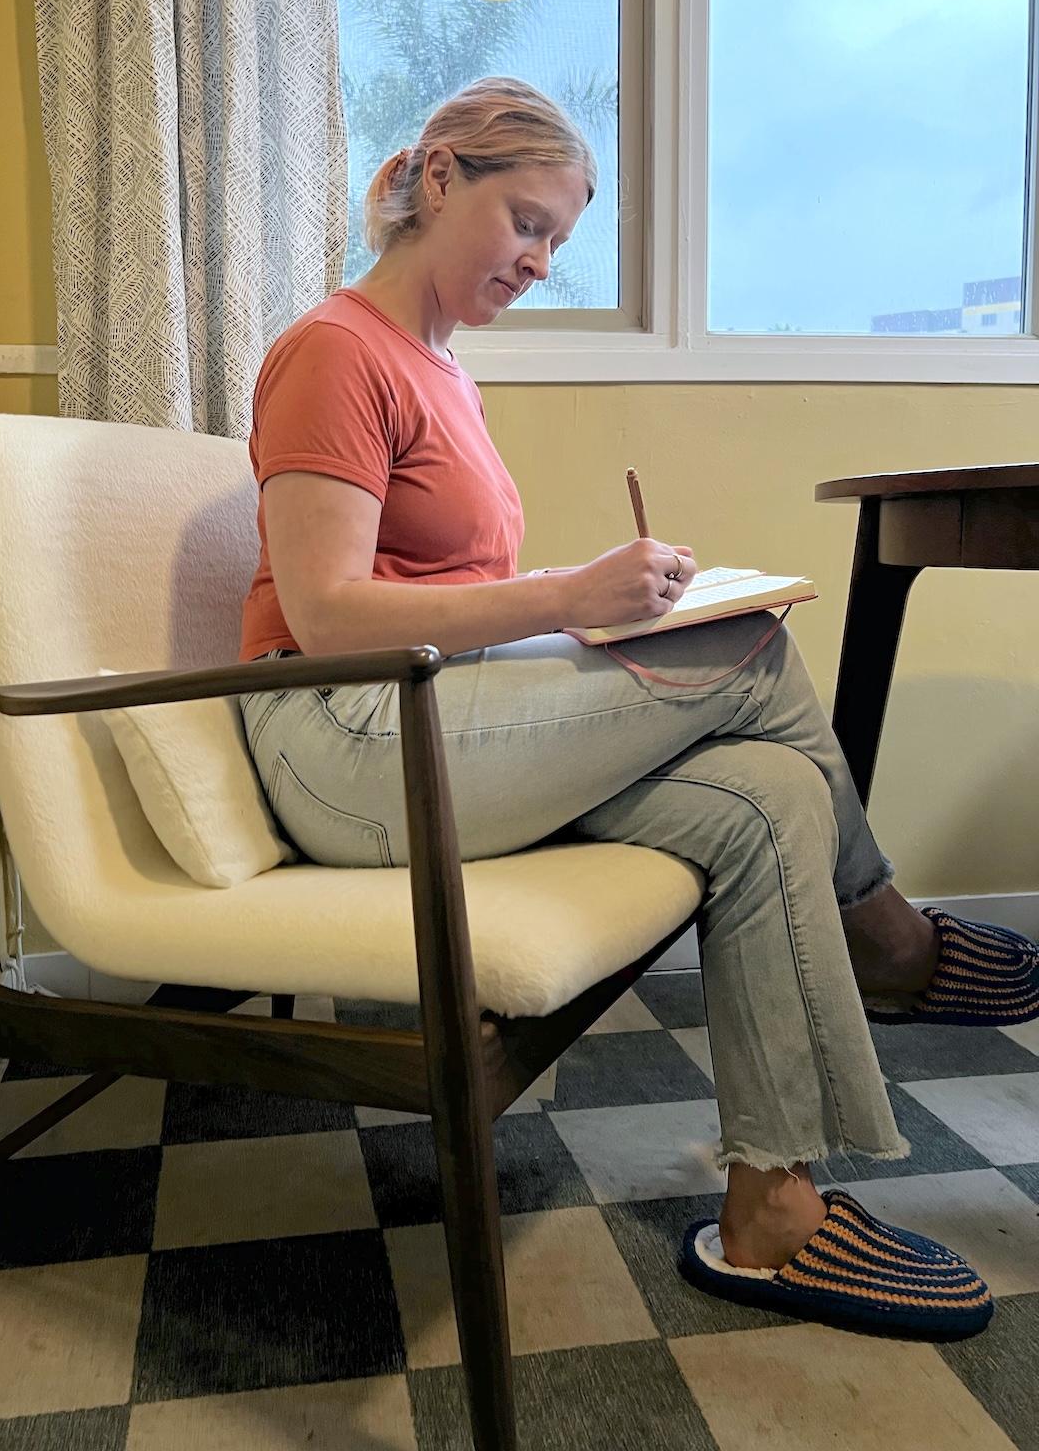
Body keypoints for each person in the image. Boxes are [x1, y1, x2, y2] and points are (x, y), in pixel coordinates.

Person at [239, 77, 1037, 1339]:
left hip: (441, 720)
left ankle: (772, 1211)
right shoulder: (332, 352)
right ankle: (894, 944)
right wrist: (569, 594)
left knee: (767, 793)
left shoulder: (442, 370)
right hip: (341, 743)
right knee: (754, 655)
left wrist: (601, 608)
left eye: (559, 240)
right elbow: (330, 616)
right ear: (438, 178)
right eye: (526, 223)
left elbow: (451, 590)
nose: (542, 262)